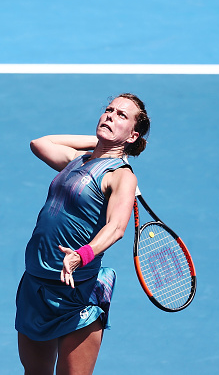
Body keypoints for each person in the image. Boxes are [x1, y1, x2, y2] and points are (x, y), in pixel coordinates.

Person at [15, 93, 150, 375]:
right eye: (109, 110)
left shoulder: (121, 176)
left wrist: (82, 254)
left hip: (77, 294)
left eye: (121, 115)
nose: (110, 115)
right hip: (36, 286)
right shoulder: (77, 160)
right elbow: (40, 143)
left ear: (133, 135)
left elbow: (116, 227)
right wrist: (102, 143)